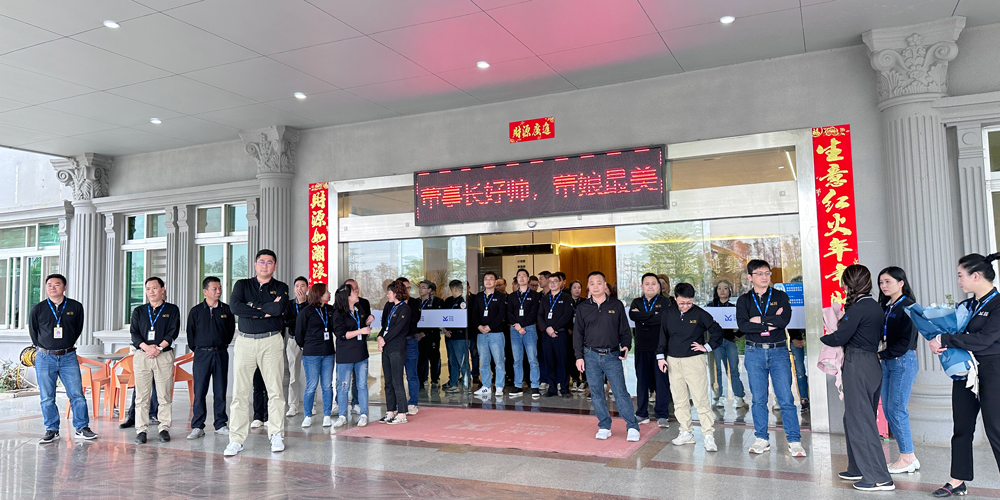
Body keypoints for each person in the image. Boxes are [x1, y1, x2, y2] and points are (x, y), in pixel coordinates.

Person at [928, 253, 1000, 497]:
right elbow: (959, 334)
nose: (958, 281)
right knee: (962, 427)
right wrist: (938, 340)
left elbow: (984, 339)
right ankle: (957, 480)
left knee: (996, 428)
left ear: (975, 276)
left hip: (993, 371)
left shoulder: (998, 304)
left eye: (961, 276)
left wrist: (946, 339)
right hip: (966, 371)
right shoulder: (966, 306)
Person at [820, 265, 892, 491]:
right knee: (855, 418)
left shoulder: (859, 307)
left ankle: (878, 477)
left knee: (860, 421)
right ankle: (858, 468)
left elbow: (839, 337)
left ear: (850, 284)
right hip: (870, 363)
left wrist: (822, 336)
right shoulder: (873, 305)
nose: (842, 287)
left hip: (858, 364)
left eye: (844, 283)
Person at [224, 249, 292, 457]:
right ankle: (236, 439)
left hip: (271, 341)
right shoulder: (242, 285)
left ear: (275, 266)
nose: (265, 265)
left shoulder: (281, 287)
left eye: (269, 262)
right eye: (261, 262)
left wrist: (253, 307)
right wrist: (264, 311)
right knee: (240, 393)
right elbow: (235, 307)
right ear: (255, 265)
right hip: (245, 342)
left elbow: (279, 310)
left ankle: (276, 434)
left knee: (275, 391)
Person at [736, 259, 806, 457]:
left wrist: (758, 320)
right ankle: (761, 438)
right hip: (754, 352)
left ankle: (794, 440)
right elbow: (743, 325)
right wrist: (770, 322)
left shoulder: (780, 296)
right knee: (759, 399)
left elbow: (784, 320)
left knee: (786, 398)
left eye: (767, 273)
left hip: (779, 351)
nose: (764, 277)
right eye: (759, 273)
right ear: (750, 277)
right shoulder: (744, 300)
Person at [30, 273, 97, 443]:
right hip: (45, 357)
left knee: (77, 394)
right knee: (47, 396)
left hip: (68, 357)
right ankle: (52, 429)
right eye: (49, 285)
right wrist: (46, 347)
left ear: (64, 287)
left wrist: (65, 344)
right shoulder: (38, 309)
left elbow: (77, 329)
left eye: (57, 284)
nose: (52, 287)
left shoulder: (75, 306)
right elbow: (34, 333)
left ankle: (82, 427)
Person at [575, 271, 640, 442]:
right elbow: (578, 334)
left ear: (605, 285)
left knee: (620, 392)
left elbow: (624, 330)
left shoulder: (616, 305)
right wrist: (579, 356)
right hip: (590, 355)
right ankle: (604, 425)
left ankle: (632, 426)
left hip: (612, 355)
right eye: (592, 283)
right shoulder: (583, 307)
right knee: (596, 393)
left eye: (599, 283)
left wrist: (626, 346)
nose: (595, 286)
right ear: (588, 286)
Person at [658, 282, 723, 451]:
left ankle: (708, 435)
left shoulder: (700, 314)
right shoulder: (668, 313)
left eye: (689, 303)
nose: (686, 306)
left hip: (694, 361)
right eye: (682, 303)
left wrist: (707, 347)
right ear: (675, 298)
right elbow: (663, 335)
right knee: (679, 400)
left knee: (701, 399)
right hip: (673, 361)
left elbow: (717, 331)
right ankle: (686, 432)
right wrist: (660, 357)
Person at [876, 267, 920, 475]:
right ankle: (909, 456)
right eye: (881, 282)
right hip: (887, 362)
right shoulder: (887, 306)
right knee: (889, 409)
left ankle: (907, 457)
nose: (883, 286)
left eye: (888, 282)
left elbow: (906, 341)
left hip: (901, 361)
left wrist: (881, 355)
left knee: (897, 410)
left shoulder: (909, 306)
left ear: (901, 282)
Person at [130, 276, 180, 444]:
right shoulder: (139, 311)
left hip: (163, 355)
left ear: (162, 289)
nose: (151, 291)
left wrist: (158, 348)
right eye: (148, 289)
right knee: (141, 396)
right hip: (142, 356)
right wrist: (147, 348)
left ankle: (164, 428)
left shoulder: (172, 309)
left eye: (154, 288)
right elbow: (134, 333)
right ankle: (141, 430)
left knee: (163, 394)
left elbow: (173, 332)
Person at [186, 276, 236, 439]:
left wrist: (221, 344)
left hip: (220, 353)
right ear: (205, 291)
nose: (218, 291)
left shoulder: (226, 310)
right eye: (214, 289)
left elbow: (230, 332)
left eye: (220, 288)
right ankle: (197, 426)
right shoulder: (196, 311)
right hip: (201, 355)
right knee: (199, 390)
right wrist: (199, 349)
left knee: (220, 389)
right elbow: (191, 335)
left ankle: (220, 424)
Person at [629, 273, 671, 427]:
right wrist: (653, 315)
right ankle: (642, 413)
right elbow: (633, 316)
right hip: (641, 347)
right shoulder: (636, 301)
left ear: (659, 286)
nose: (650, 286)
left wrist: (643, 317)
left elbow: (663, 319)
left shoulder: (665, 302)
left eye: (654, 283)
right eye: (647, 284)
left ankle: (662, 415)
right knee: (642, 381)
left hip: (660, 348)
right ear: (642, 287)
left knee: (661, 381)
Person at [295, 283, 335, 429]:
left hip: (328, 353)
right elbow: (299, 333)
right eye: (326, 292)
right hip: (311, 354)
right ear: (319, 294)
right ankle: (307, 415)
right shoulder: (306, 312)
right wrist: (305, 346)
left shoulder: (330, 310)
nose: (329, 293)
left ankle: (327, 415)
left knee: (327, 385)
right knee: (311, 385)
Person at [332, 284, 371, 427]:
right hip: (345, 355)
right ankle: (342, 415)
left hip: (361, 353)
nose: (356, 293)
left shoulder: (359, 309)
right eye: (353, 291)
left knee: (362, 385)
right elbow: (342, 334)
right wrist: (361, 331)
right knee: (343, 386)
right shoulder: (338, 314)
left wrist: (367, 322)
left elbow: (362, 326)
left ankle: (364, 414)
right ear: (347, 297)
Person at [708, 280, 747, 408]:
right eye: (719, 288)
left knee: (733, 369)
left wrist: (738, 335)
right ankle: (720, 395)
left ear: (730, 291)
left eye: (725, 288)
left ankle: (739, 396)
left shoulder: (733, 307)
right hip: (717, 342)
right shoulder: (711, 307)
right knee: (719, 370)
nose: (722, 291)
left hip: (730, 341)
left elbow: (743, 323)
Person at [378, 280, 411, 424]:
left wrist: (383, 339)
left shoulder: (405, 309)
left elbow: (397, 329)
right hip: (387, 347)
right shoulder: (390, 306)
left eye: (389, 292)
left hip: (397, 347)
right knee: (388, 381)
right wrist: (380, 337)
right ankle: (390, 411)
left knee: (397, 381)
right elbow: (385, 326)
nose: (387, 295)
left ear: (397, 293)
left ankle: (402, 413)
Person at [472, 272, 507, 398]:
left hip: (496, 333)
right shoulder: (478, 296)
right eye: (486, 279)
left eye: (491, 279)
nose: (488, 281)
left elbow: (501, 314)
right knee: (484, 361)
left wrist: (490, 327)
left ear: (495, 282)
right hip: (481, 334)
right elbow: (474, 313)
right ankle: (486, 386)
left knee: (499, 361)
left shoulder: (501, 296)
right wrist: (479, 326)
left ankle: (499, 386)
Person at [508, 269, 541, 399]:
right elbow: (509, 312)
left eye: (524, 276)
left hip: (529, 329)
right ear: (516, 279)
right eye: (519, 276)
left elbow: (534, 312)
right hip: (515, 330)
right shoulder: (512, 296)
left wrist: (522, 325)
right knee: (517, 359)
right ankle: (518, 385)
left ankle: (535, 386)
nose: (521, 278)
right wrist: (516, 325)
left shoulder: (534, 295)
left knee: (532, 359)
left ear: (528, 279)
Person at [538, 273, 572, 397]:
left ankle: (564, 388)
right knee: (549, 361)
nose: (552, 284)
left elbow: (567, 315)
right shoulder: (545, 298)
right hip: (547, 334)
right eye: (550, 281)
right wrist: (547, 328)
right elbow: (540, 315)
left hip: (560, 333)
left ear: (560, 283)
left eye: (555, 281)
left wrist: (554, 328)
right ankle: (552, 388)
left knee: (563, 361)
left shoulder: (566, 297)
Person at [343, 279, 374, 414]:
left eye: (357, 288)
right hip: (346, 348)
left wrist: (369, 321)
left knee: (360, 380)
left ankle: (356, 403)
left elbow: (364, 322)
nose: (356, 290)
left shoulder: (363, 304)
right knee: (343, 380)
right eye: (353, 289)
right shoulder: (340, 308)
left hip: (360, 346)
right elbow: (340, 332)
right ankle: (341, 407)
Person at [397, 277, 422, 416]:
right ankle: (399, 403)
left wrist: (405, 307)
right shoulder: (393, 302)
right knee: (396, 375)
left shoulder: (414, 302)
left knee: (412, 374)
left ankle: (413, 402)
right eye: (405, 288)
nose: (407, 290)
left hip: (411, 340)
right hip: (397, 342)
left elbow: (414, 319)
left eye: (408, 288)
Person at [284, 276, 309, 418]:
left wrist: (303, 304)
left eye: (302, 286)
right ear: (294, 289)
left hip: (309, 342)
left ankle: (311, 405)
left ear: (307, 288)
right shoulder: (289, 304)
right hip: (293, 341)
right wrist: (299, 320)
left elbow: (310, 320)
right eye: (297, 286)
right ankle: (293, 405)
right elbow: (286, 321)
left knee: (311, 376)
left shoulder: (311, 304)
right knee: (293, 375)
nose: (300, 288)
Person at [442, 280, 470, 393]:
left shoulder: (464, 302)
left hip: (460, 336)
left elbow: (465, 320)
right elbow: (442, 316)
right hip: (449, 335)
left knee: (462, 361)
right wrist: (445, 330)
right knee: (452, 361)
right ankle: (453, 384)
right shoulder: (448, 301)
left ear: (454, 289)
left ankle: (466, 384)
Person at [416, 280, 443, 389]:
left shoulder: (437, 302)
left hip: (432, 335)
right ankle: (421, 380)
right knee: (421, 359)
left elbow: (437, 319)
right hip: (418, 336)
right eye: (420, 287)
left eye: (423, 287)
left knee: (434, 358)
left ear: (429, 290)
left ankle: (435, 379)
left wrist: (424, 333)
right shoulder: (416, 302)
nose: (420, 289)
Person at [568, 279, 584, 392]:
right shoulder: (566, 301)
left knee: (582, 355)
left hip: (581, 333)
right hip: (569, 332)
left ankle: (584, 380)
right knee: (571, 356)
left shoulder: (584, 302)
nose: (577, 290)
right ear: (570, 290)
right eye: (574, 288)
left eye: (579, 288)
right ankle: (575, 378)